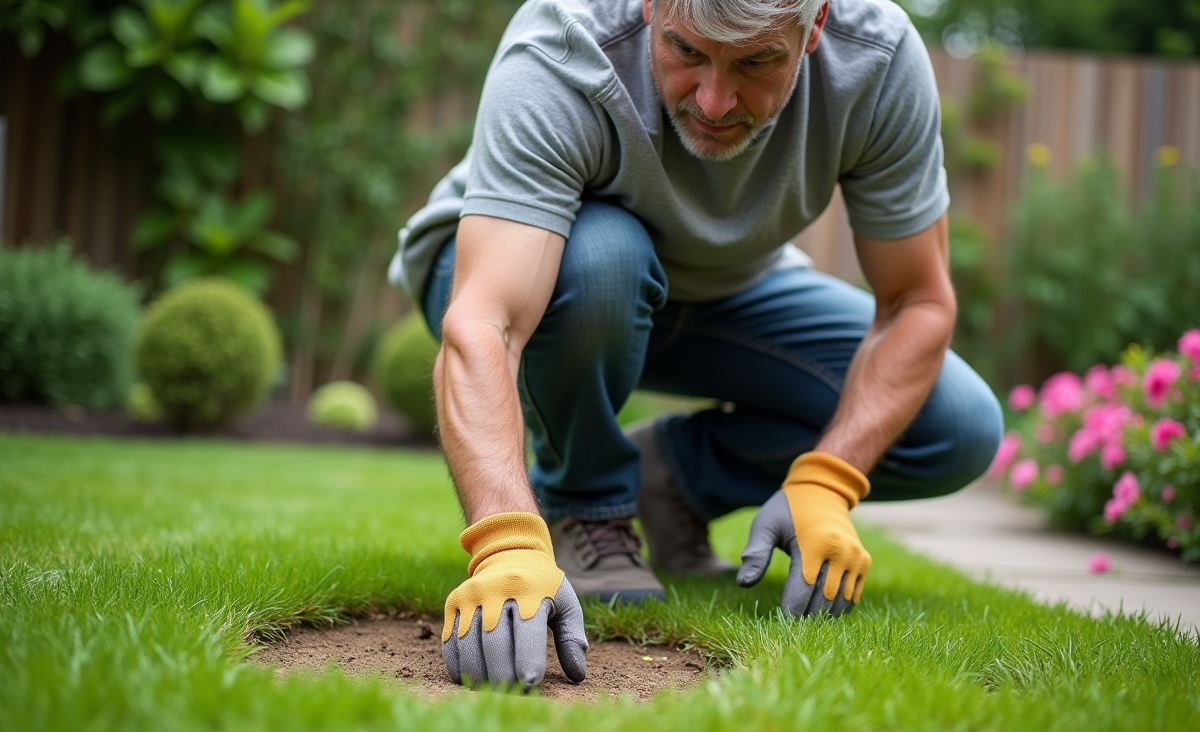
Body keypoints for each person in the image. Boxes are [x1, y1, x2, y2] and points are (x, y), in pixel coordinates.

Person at [388, 0, 1003, 689]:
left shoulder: (877, 57)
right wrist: (503, 541)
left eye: (757, 61)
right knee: (608, 260)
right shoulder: (567, 41)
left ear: (817, 23)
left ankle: (670, 475)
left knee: (955, 426)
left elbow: (917, 302)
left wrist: (830, 479)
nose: (715, 99)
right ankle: (583, 504)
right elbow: (486, 322)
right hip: (535, 271)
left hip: (727, 291)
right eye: (686, 51)